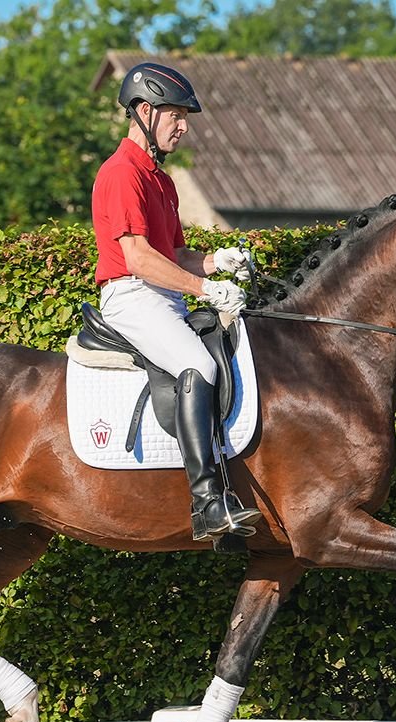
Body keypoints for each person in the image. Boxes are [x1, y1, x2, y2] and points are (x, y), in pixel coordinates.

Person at [92, 61, 261, 542]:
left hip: (164, 296)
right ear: (144, 111)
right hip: (133, 298)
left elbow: (177, 254)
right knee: (198, 365)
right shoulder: (122, 172)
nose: (183, 127)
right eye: (175, 116)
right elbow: (139, 258)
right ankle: (207, 502)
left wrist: (217, 262)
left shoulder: (160, 179)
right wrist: (206, 290)